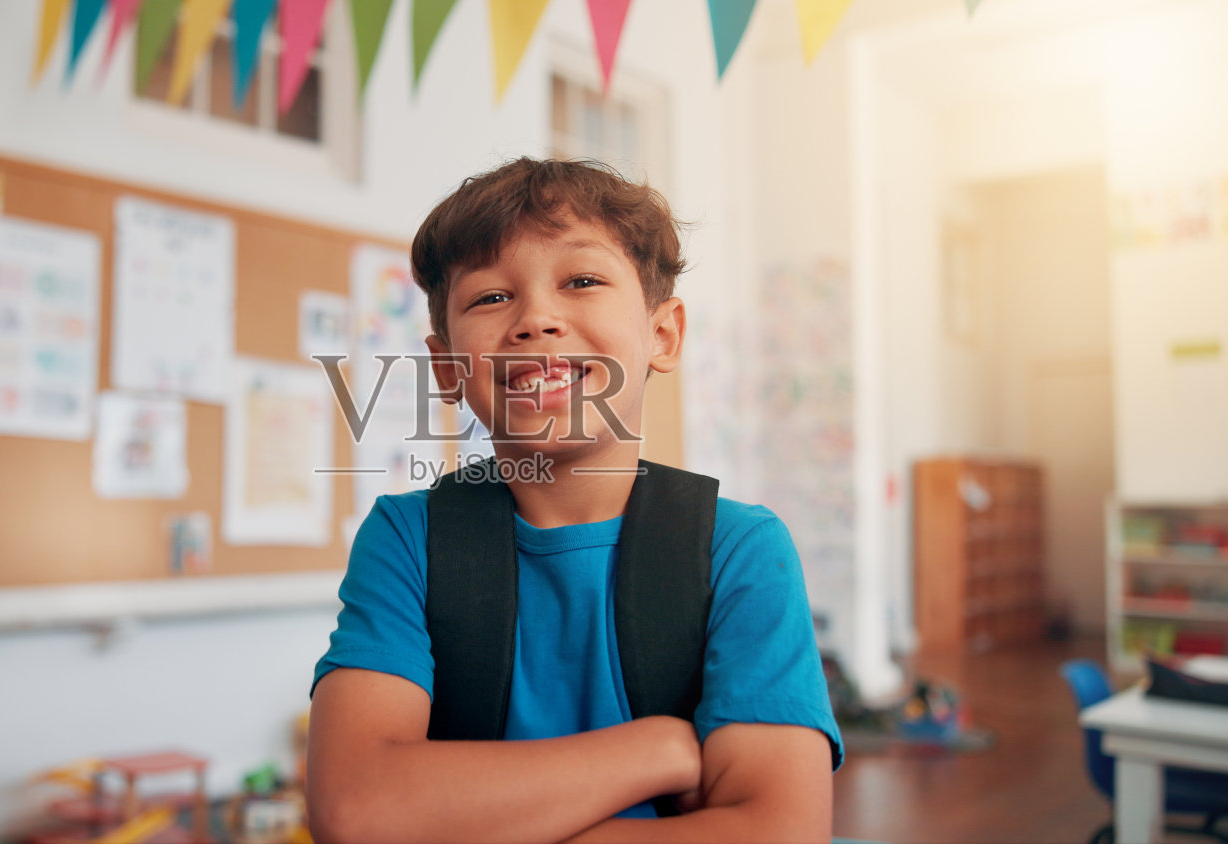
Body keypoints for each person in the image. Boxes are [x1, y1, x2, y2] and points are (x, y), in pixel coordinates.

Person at [306, 157, 842, 843]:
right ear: (446, 368)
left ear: (663, 334)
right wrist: (660, 749)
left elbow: (779, 832)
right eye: (491, 298)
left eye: (582, 280)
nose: (537, 318)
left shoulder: (736, 550)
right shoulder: (408, 540)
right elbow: (357, 813)